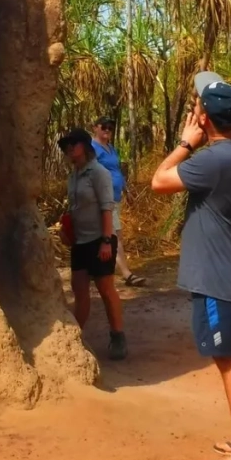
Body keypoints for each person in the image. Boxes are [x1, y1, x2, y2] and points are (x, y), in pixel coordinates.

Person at [151, 72, 231, 460]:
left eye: (198, 106)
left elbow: (159, 181)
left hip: (220, 278)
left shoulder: (214, 160)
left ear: (205, 120)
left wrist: (186, 143)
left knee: (229, 359)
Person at [58, 127, 127, 361]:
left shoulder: (98, 173)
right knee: (79, 290)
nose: (69, 148)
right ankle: (76, 338)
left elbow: (107, 208)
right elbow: (74, 208)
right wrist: (67, 231)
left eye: (73, 144)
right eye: (66, 145)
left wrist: (107, 241)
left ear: (85, 147)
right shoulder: (73, 176)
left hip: (100, 240)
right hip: (81, 242)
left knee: (106, 289)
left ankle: (118, 336)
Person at [91, 117, 146, 287]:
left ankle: (97, 270)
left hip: (115, 197)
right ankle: (127, 274)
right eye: (104, 127)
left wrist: (126, 190)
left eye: (110, 127)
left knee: (108, 236)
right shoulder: (92, 148)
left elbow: (117, 171)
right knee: (115, 236)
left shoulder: (110, 148)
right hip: (104, 199)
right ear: (95, 128)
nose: (107, 130)